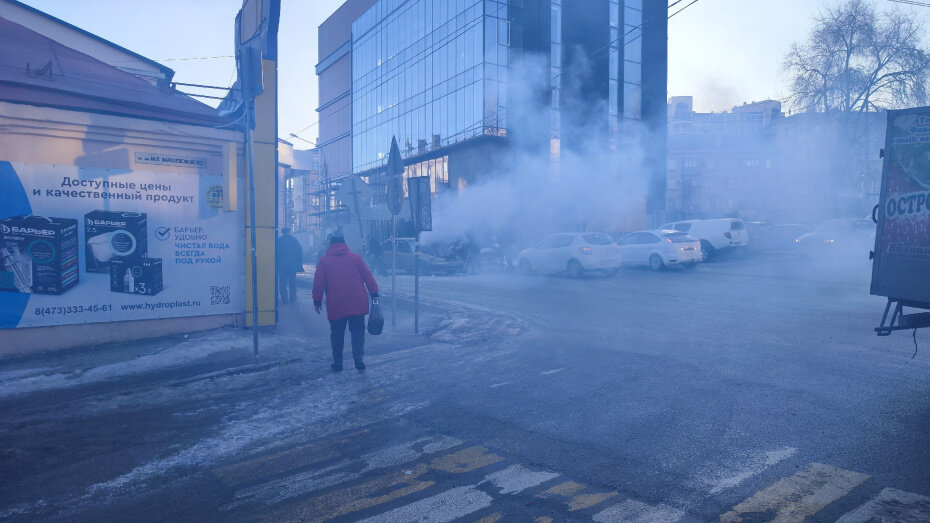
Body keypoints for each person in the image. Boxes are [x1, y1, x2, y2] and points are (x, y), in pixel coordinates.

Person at [312, 233, 379, 371]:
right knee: (357, 332)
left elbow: (318, 283)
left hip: (336, 304)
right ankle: (358, 360)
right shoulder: (355, 258)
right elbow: (368, 277)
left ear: (330, 245)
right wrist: (374, 294)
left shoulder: (324, 261)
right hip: (357, 302)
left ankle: (338, 363)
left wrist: (317, 301)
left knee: (337, 333)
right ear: (344, 244)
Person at [276, 228, 304, 304]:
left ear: (282, 233)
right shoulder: (294, 240)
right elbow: (299, 251)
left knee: (282, 283)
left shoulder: (279, 240)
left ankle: (284, 299)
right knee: (292, 282)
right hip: (292, 265)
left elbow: (276, 253)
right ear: (289, 232)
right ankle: (293, 297)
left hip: (282, 266)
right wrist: (299, 263)